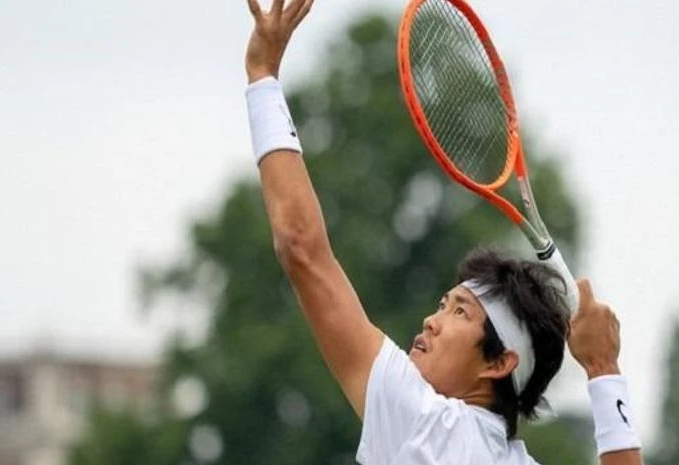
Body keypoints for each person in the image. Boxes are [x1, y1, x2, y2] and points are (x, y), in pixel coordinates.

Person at [243, 1, 644, 464]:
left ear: (499, 362)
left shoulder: (421, 421)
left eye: (459, 311)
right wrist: (602, 369)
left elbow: (301, 246)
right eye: (443, 304)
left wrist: (263, 78)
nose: (431, 322)